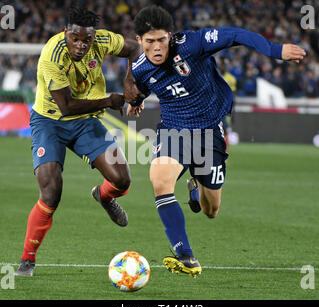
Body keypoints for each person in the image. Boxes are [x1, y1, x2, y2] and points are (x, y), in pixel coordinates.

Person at [127, 5, 306, 277]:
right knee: (160, 181)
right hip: (174, 130)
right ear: (139, 41)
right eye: (149, 41)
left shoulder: (192, 44)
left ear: (171, 36)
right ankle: (185, 255)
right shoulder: (140, 68)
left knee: (211, 211)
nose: (156, 47)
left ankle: (195, 187)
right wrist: (136, 102)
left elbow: (234, 34)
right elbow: (142, 87)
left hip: (210, 131)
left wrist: (274, 50)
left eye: (161, 39)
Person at [15, 7, 143, 277]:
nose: (82, 45)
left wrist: (130, 80)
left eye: (87, 40)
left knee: (122, 179)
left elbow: (134, 49)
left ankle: (103, 196)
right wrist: (109, 100)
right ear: (66, 34)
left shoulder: (103, 41)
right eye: (76, 39)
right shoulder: (53, 55)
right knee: (51, 190)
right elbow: (66, 106)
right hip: (50, 121)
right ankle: (27, 259)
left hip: (85, 122)